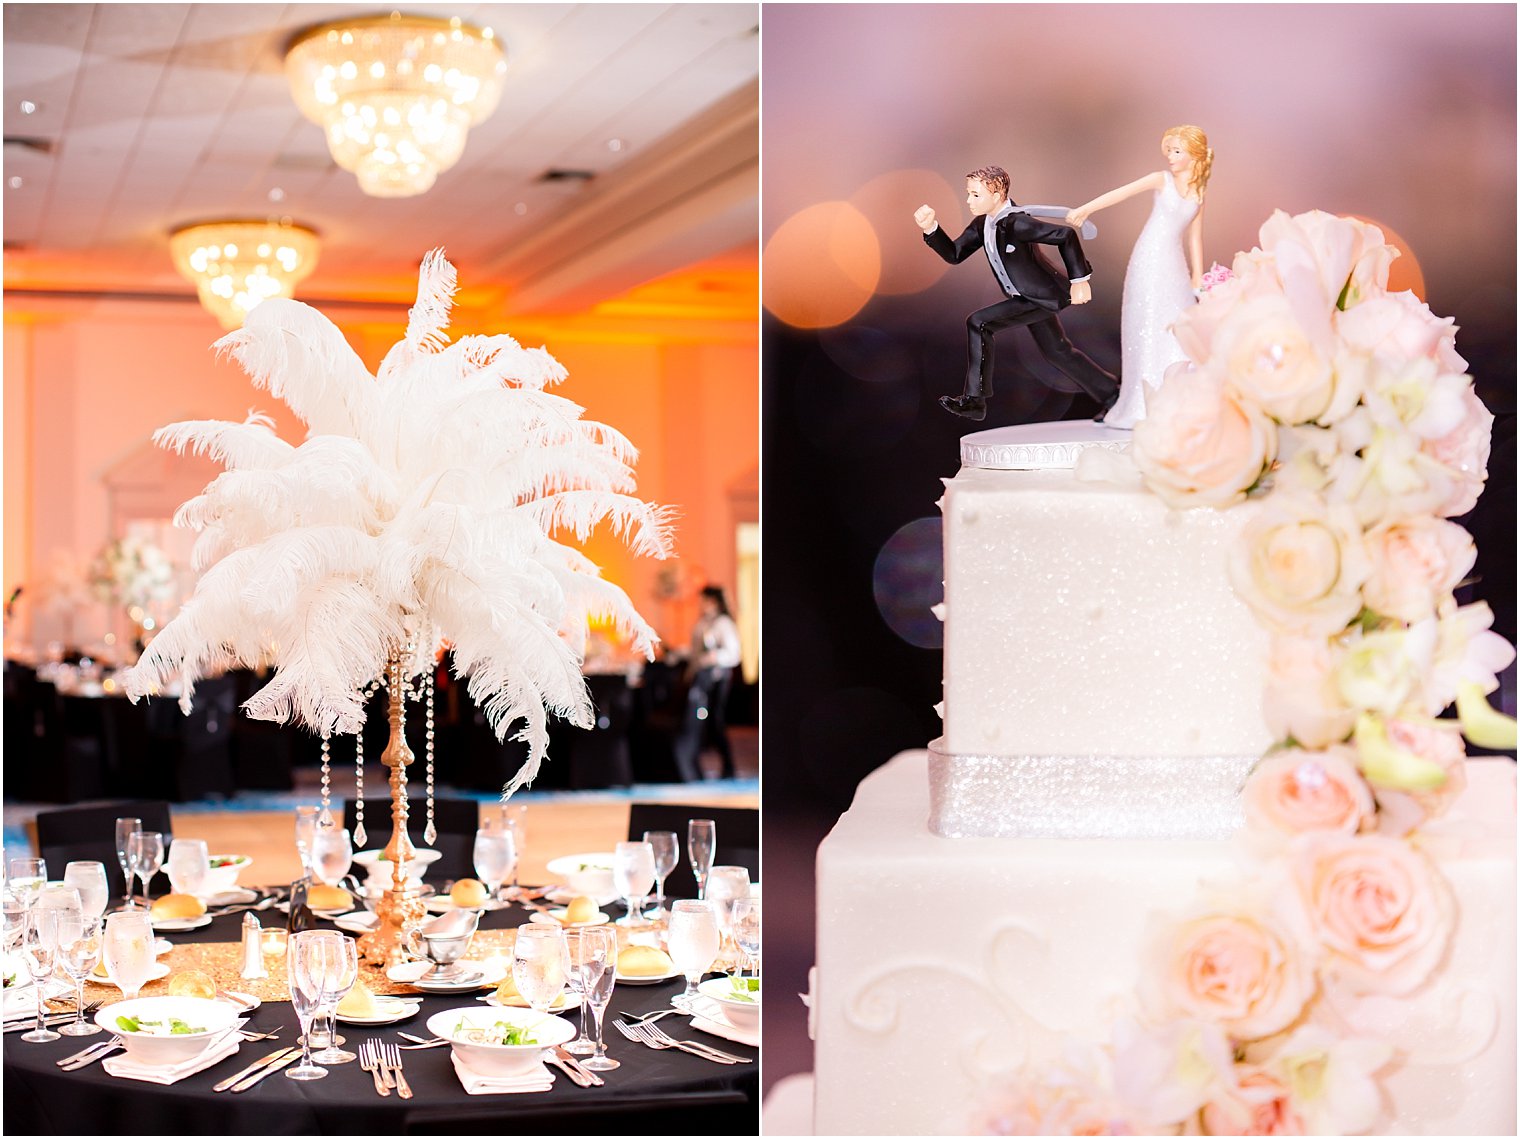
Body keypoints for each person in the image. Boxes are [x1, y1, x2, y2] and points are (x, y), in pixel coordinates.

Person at [914, 165, 1119, 422]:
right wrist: (931, 228)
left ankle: (975, 401)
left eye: (976, 195)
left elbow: (1065, 235)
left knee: (979, 322)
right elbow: (955, 254)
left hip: (1042, 297)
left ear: (997, 193)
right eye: (968, 193)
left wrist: (1079, 280)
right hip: (1025, 298)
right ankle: (1113, 395)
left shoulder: (1017, 223)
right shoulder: (983, 224)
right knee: (1057, 352)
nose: (968, 200)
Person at [1066, 125, 1214, 428]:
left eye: (1177, 151)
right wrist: (1085, 209)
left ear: (1193, 154)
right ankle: (1140, 402)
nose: (1171, 157)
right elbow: (1121, 193)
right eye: (1169, 151)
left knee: (1178, 319)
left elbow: (1194, 238)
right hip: (1149, 257)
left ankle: (1175, 397)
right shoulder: (1161, 180)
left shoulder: (1199, 192)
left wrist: (1198, 274)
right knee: (1146, 320)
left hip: (1175, 262)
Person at [673, 585, 742, 781]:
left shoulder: (723, 624)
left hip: (716, 680)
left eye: (702, 600)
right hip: (700, 679)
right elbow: (696, 652)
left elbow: (733, 654)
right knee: (700, 722)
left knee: (714, 722)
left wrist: (712, 657)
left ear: (712, 601)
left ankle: (728, 766)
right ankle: (695, 766)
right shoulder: (703, 623)